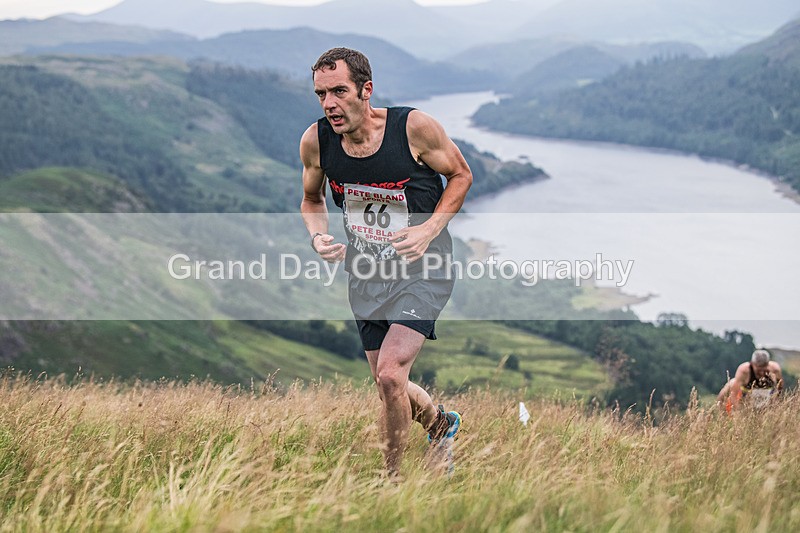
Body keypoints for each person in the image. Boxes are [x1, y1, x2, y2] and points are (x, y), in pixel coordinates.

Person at [299, 47, 473, 478]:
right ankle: (441, 424)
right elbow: (310, 198)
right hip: (366, 275)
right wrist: (318, 235)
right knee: (386, 385)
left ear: (366, 90)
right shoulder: (316, 141)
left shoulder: (412, 128)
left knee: (392, 375)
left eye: (339, 91)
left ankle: (391, 482)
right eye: (321, 94)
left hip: (423, 270)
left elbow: (461, 175)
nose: (329, 104)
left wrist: (428, 229)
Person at [717, 349, 784, 411]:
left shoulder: (775, 369)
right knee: (731, 383)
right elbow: (734, 394)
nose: (761, 372)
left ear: (768, 364)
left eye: (764, 368)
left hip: (766, 396)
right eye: (759, 369)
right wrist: (738, 413)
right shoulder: (744, 371)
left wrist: (776, 405)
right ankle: (719, 411)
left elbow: (779, 389)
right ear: (752, 364)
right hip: (745, 396)